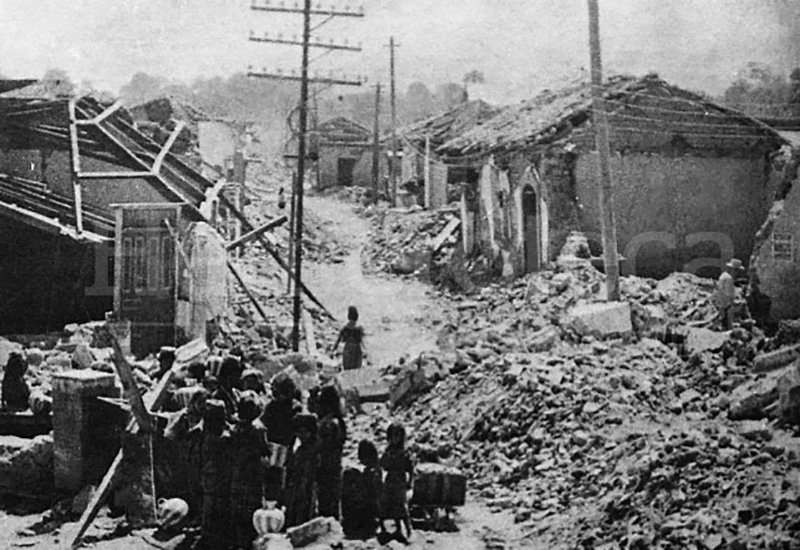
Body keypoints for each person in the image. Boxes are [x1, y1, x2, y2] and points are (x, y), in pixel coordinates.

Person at [228, 390, 268, 549]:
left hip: (237, 471)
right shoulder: (258, 430)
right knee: (252, 509)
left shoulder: (234, 429)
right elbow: (265, 451)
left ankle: (238, 541)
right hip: (253, 473)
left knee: (237, 508)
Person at [260, 375, 302, 503]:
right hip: (273, 447)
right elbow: (263, 423)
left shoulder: (295, 407)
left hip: (287, 447)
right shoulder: (271, 406)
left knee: (286, 479)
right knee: (272, 479)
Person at [198, 399, 231, 550]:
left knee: (210, 505)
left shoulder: (205, 433)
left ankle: (209, 535)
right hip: (218, 475)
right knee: (217, 505)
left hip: (209, 475)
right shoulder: (220, 438)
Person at [316, 386, 347, 520]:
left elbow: (324, 445)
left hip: (326, 465)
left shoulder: (328, 423)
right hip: (334, 464)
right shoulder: (338, 421)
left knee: (325, 500)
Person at [380, 422, 414, 544]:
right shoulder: (388, 450)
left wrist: (410, 482)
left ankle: (407, 530)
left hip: (400, 481)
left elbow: (410, 468)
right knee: (386, 504)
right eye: (393, 435)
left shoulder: (404, 452)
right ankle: (385, 529)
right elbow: (382, 464)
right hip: (390, 480)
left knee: (401, 506)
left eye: (397, 435)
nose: (395, 438)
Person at [284, 413, 319, 527]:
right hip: (297, 486)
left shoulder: (313, 450)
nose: (300, 435)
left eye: (303, 432)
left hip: (308, 486)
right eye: (298, 432)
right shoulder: (299, 449)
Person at [331, 306, 366, 370]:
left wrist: (333, 350)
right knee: (356, 369)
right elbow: (361, 341)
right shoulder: (359, 328)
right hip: (356, 350)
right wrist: (365, 351)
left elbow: (338, 340)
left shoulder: (345, 328)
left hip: (348, 349)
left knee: (347, 368)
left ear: (348, 316)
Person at [714, 258, 741, 330]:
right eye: (737, 270)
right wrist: (734, 302)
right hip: (725, 304)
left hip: (720, 302)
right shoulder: (729, 278)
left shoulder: (723, 275)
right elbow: (729, 293)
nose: (737, 273)